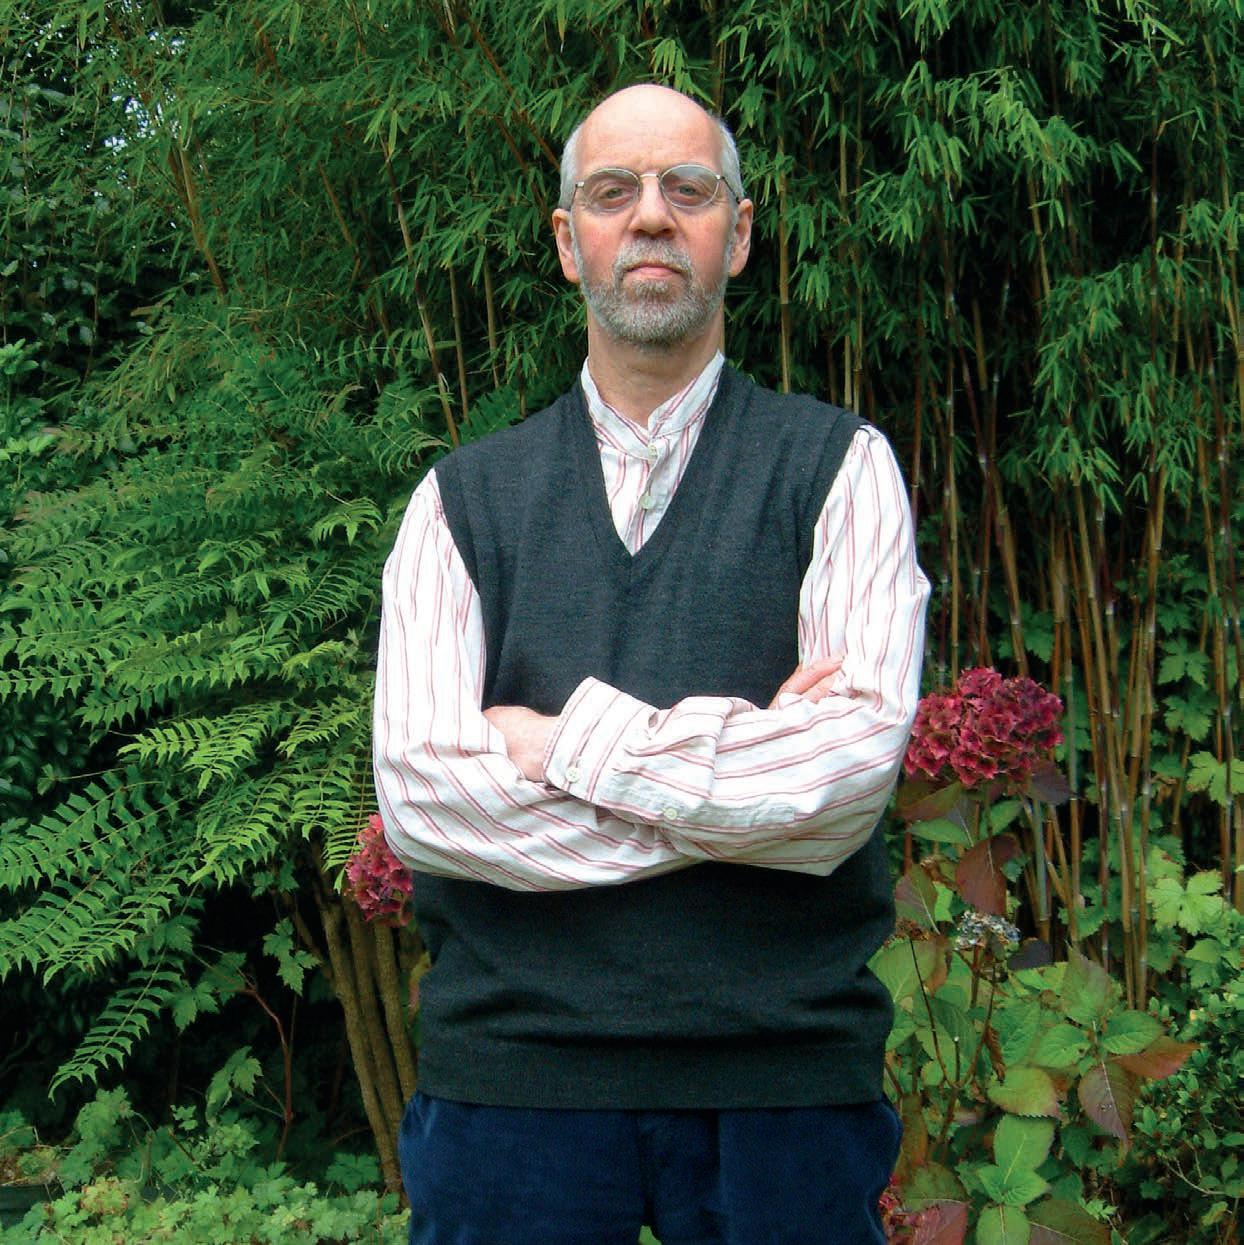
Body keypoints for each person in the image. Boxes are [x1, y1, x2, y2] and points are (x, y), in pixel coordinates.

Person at [373, 82, 930, 1245]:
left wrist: (558, 743)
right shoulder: (459, 503)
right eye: (611, 192)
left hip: (780, 1086)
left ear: (739, 231)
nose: (650, 216)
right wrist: (747, 792)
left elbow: (835, 791)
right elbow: (427, 806)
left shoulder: (841, 471)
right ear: (565, 241)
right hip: (511, 1086)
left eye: (688, 189)